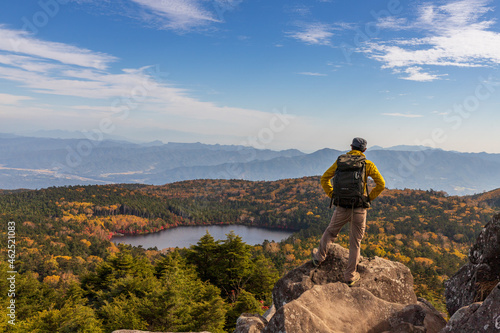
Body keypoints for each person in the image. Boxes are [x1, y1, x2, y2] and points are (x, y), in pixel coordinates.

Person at [312, 137, 385, 286]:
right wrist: (368, 198)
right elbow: (381, 184)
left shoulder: (340, 161)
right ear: (364, 150)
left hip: (342, 206)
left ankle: (319, 258)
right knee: (355, 242)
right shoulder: (367, 164)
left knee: (331, 232)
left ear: (351, 147)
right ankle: (350, 276)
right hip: (359, 208)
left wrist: (333, 194)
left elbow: (324, 178)